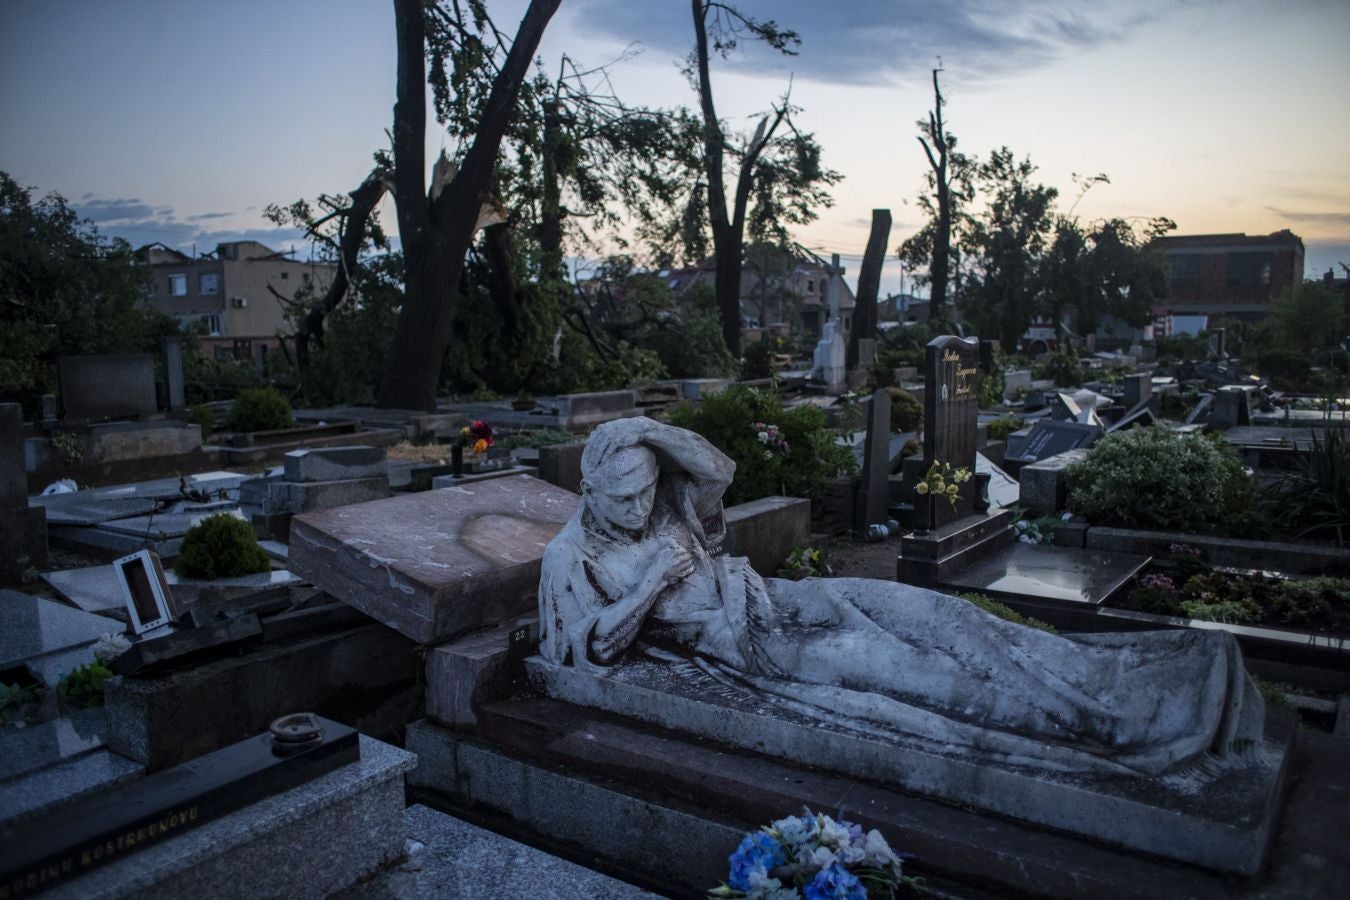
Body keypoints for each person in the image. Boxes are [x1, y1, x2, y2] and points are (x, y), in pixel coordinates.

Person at [538, 417, 1265, 777]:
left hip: (777, 597)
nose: (641, 507)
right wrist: (654, 584)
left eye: (645, 489)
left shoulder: (661, 497)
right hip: (760, 648)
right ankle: (1111, 727)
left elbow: (716, 472)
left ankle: (1131, 675)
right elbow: (591, 649)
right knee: (923, 673)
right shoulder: (572, 558)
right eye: (623, 498)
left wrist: (644, 429)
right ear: (586, 489)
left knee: (950, 617)